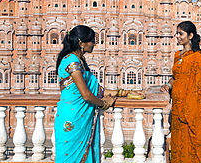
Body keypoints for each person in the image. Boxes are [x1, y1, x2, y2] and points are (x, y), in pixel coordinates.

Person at [54, 25, 142, 162]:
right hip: (73, 117)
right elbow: (86, 95)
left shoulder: (80, 62)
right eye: (92, 41)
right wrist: (105, 103)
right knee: (69, 157)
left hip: (80, 115)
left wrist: (124, 92)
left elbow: (98, 90)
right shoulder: (72, 62)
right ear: (81, 43)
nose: (95, 44)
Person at [161, 21, 201, 163]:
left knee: (193, 145)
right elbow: (176, 77)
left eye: (181, 33)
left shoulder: (198, 58)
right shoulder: (178, 55)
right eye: (177, 33)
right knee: (179, 144)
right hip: (177, 108)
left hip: (191, 111)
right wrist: (168, 85)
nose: (177, 36)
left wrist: (189, 109)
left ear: (190, 35)